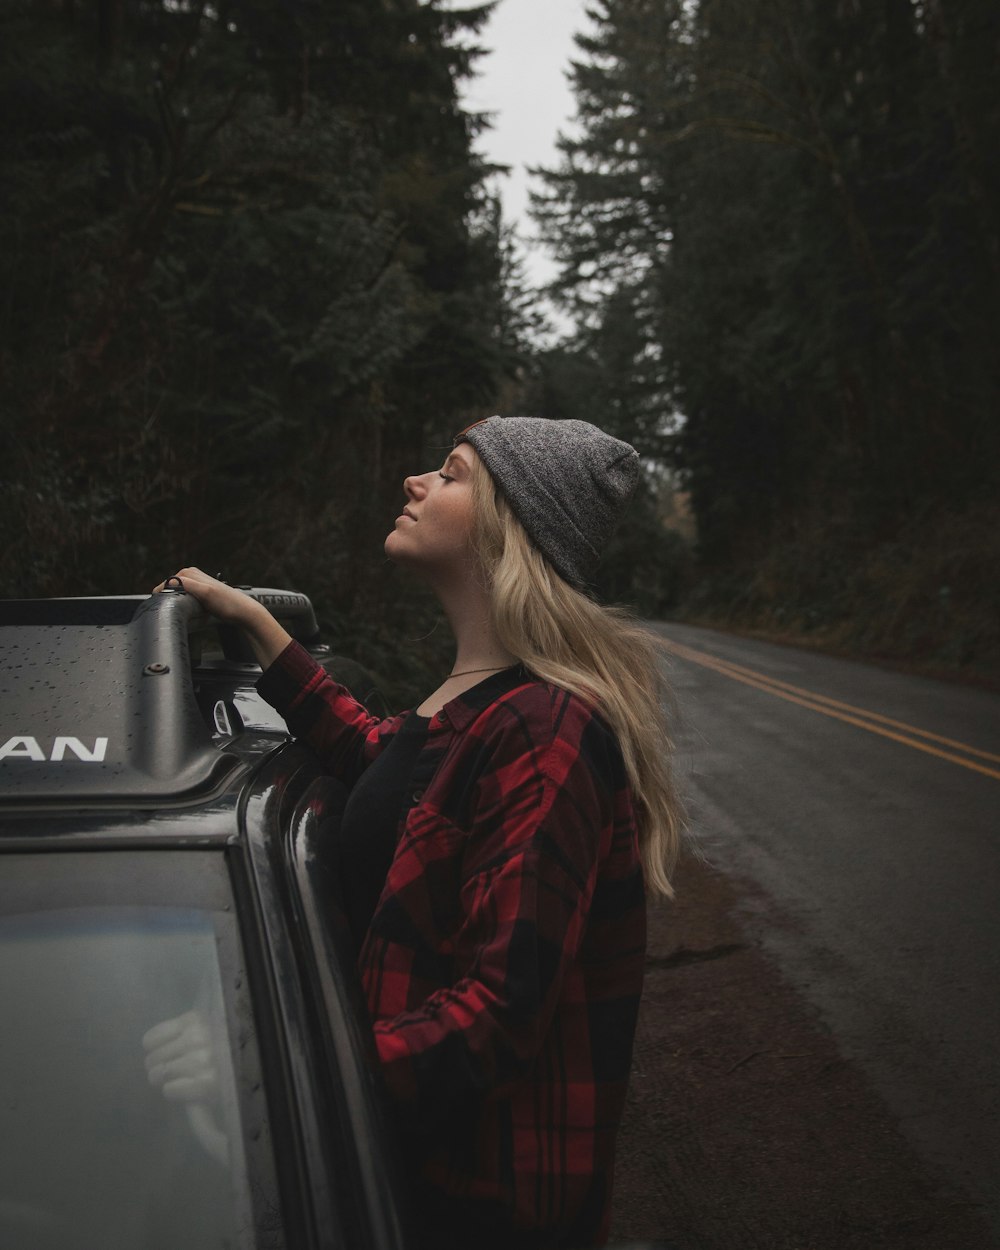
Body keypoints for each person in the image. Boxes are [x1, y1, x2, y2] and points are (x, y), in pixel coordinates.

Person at [156, 416, 683, 1249]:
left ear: (512, 527)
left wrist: (265, 1062)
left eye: (451, 472)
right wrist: (257, 627)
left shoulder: (545, 728)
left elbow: (493, 1016)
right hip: (408, 1177)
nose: (416, 482)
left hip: (475, 1209)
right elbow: (379, 759)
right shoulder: (477, 706)